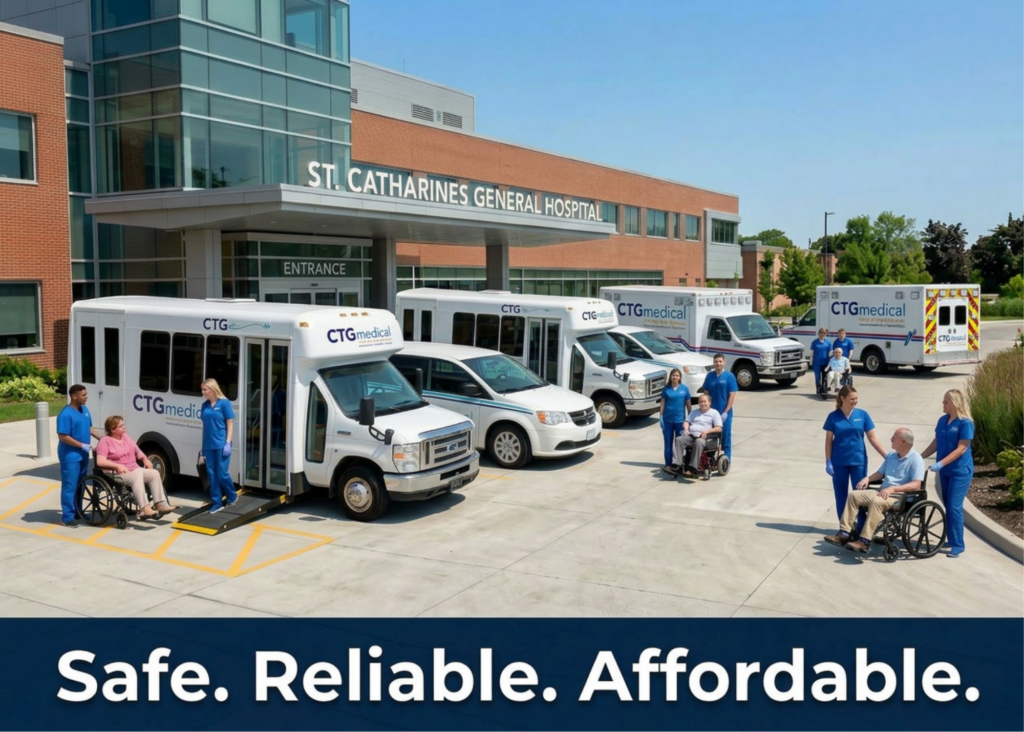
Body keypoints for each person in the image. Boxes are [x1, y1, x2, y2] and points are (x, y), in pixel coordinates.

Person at [824, 428, 925, 552]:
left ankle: (864, 541)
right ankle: (844, 534)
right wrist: (867, 479)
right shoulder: (891, 456)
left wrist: (893, 489)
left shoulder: (916, 459)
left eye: (894, 438)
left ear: (903, 442)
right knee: (853, 495)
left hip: (899, 497)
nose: (891, 439)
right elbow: (879, 474)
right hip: (882, 492)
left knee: (876, 502)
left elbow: (916, 485)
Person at [823, 385, 888, 532]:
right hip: (839, 462)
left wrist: (886, 455)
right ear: (843, 398)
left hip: (858, 462)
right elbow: (828, 440)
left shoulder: (862, 415)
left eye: (856, 399)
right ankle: (845, 529)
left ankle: (861, 528)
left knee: (860, 496)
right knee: (841, 496)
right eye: (852, 399)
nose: (855, 401)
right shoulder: (833, 417)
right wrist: (828, 461)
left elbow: (872, 437)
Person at [920, 389, 974, 558]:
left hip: (960, 471)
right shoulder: (942, 420)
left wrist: (940, 463)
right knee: (948, 506)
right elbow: (936, 442)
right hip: (944, 472)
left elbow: (962, 448)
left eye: (946, 402)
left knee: (954, 507)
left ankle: (958, 544)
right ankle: (951, 539)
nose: (943, 405)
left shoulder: (965, 423)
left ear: (955, 404)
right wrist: (919, 457)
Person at [95, 415, 177, 519]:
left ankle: (160, 504)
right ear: (112, 429)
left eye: (123, 425)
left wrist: (145, 459)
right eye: (121, 426)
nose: (124, 427)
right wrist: (116, 466)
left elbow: (137, 450)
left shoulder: (126, 437)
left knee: (154, 474)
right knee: (137, 474)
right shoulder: (105, 441)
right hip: (116, 473)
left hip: (133, 469)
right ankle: (145, 509)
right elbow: (100, 461)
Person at [56, 384, 104, 527]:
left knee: (81, 484)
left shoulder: (85, 410)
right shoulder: (65, 414)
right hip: (70, 456)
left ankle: (78, 511)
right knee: (70, 485)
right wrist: (81, 445)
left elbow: (89, 427)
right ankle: (68, 517)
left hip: (83, 455)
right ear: (74, 396)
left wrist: (102, 438)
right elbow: (63, 436)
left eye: (86, 394)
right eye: (83, 395)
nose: (86, 397)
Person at [200, 378, 237, 514]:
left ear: (213, 390)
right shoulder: (205, 406)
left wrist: (228, 442)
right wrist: (203, 447)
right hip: (209, 446)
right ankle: (217, 502)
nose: (203, 392)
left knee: (222, 473)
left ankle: (232, 495)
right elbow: (205, 428)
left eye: (205, 390)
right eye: (202, 390)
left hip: (221, 444)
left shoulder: (224, 403)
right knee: (211, 474)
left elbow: (230, 422)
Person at [669, 393, 723, 476]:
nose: (702, 403)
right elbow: (687, 422)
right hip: (691, 436)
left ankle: (693, 468)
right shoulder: (694, 412)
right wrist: (686, 429)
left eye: (704, 401)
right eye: (700, 402)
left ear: (709, 402)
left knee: (698, 442)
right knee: (679, 439)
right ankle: (677, 464)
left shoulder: (714, 413)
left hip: (705, 438)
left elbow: (719, 428)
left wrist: (706, 432)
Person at [700, 354, 738, 461]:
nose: (718, 364)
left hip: (724, 413)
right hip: (711, 413)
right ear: (713, 363)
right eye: (716, 361)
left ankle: (727, 460)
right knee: (711, 437)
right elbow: (706, 393)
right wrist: (705, 410)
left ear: (724, 362)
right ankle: (710, 459)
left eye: (720, 361)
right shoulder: (709, 376)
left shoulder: (729, 376)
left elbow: (732, 395)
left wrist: (726, 411)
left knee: (725, 437)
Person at [659, 368, 691, 473]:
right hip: (668, 421)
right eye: (673, 375)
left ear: (680, 377)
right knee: (668, 444)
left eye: (677, 375)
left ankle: (679, 464)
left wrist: (689, 418)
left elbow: (688, 404)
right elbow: (663, 402)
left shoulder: (684, 389)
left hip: (680, 421)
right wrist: (661, 416)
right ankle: (668, 465)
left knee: (680, 444)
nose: (675, 377)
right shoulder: (666, 389)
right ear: (670, 377)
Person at [809, 328, 833, 395]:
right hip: (817, 362)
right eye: (821, 333)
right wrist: (810, 362)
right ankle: (818, 389)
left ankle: (824, 388)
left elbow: (830, 352)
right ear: (818, 333)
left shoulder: (828, 342)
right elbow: (811, 353)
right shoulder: (815, 342)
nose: (822, 334)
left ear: (826, 334)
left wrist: (831, 361)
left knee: (825, 376)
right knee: (817, 377)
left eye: (824, 333)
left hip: (825, 362)